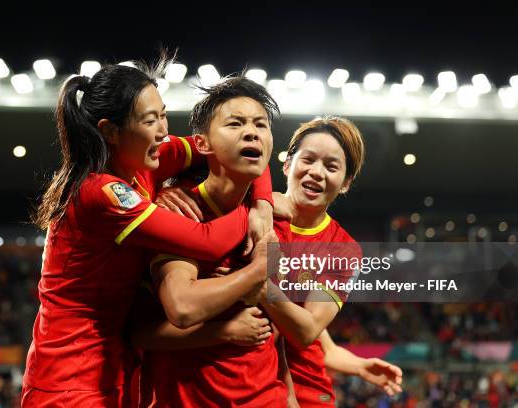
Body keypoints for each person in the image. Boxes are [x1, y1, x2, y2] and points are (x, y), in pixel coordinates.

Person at [22, 60, 274, 407]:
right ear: (110, 131)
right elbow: (206, 240)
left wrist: (263, 202)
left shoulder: (144, 163)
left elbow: (235, 147)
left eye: (164, 116)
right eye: (149, 120)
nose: (162, 131)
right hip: (68, 379)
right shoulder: (100, 192)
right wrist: (252, 222)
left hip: (117, 371)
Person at [129, 76, 289, 407]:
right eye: (235, 123)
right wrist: (257, 274)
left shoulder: (271, 221)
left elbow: (282, 333)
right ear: (202, 144)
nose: (251, 132)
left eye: (261, 125)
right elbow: (181, 308)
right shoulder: (178, 213)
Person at [273, 116, 402, 407]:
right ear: (287, 164)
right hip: (243, 382)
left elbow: (307, 331)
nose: (317, 172)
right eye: (308, 159)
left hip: (308, 395)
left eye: (331, 166)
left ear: (345, 183)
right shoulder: (253, 212)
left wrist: (256, 284)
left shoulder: (344, 250)